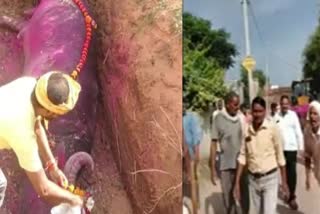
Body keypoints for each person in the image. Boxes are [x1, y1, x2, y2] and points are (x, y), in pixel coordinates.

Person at [0, 71, 85, 208]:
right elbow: (44, 189)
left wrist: (52, 167)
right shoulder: (23, 133)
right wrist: (75, 200)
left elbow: (37, 126)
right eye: (58, 113)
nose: (58, 117)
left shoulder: (29, 85)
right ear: (48, 111)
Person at [234, 96, 289, 214]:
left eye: (260, 111)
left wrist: (284, 183)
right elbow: (242, 157)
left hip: (270, 179)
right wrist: (237, 183)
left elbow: (280, 156)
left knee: (269, 212)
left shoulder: (272, 128)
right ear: (251, 112)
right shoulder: (247, 130)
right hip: (253, 180)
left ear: (265, 112)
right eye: (255, 111)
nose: (257, 114)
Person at [210, 91, 249, 214]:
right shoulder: (218, 118)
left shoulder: (241, 118)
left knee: (244, 197)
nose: (237, 107)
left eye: (238, 104)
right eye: (235, 105)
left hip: (241, 165)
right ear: (227, 104)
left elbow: (248, 140)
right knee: (228, 198)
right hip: (226, 165)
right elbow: (213, 143)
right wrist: (212, 169)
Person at [277, 95, 304, 210]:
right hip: (280, 150)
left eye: (286, 103)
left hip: (291, 149)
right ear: (280, 104)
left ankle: (292, 197)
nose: (284, 105)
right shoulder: (276, 117)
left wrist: (301, 147)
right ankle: (286, 193)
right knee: (283, 174)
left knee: (292, 173)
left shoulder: (293, 115)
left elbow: (298, 131)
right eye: (282, 103)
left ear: (288, 104)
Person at [183, 101, 203, 213]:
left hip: (190, 155)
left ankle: (195, 208)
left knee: (193, 182)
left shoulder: (191, 118)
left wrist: (197, 154)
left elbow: (196, 136)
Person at [304, 101, 320, 189]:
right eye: (311, 113)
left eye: (315, 114)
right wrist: (307, 178)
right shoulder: (307, 132)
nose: (312, 116)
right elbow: (307, 157)